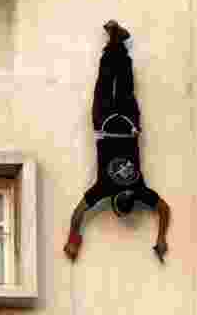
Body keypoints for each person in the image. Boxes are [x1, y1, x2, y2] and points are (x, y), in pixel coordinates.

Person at [64, 21, 171, 263]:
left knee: (124, 85)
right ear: (114, 202)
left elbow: (164, 208)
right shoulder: (105, 187)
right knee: (105, 84)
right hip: (105, 125)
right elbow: (78, 213)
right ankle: (115, 39)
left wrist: (162, 237)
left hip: (128, 125)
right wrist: (73, 241)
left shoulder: (139, 189)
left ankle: (118, 42)